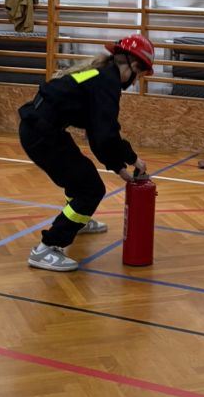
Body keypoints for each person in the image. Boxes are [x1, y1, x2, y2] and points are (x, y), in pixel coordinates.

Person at [19, 34, 154, 272]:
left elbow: (97, 133)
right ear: (133, 66)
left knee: (81, 176)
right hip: (41, 134)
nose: (135, 82)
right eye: (140, 76)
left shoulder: (101, 74)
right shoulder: (107, 82)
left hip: (41, 128)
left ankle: (78, 220)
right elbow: (106, 135)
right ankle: (47, 248)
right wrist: (132, 159)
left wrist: (118, 166)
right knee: (90, 189)